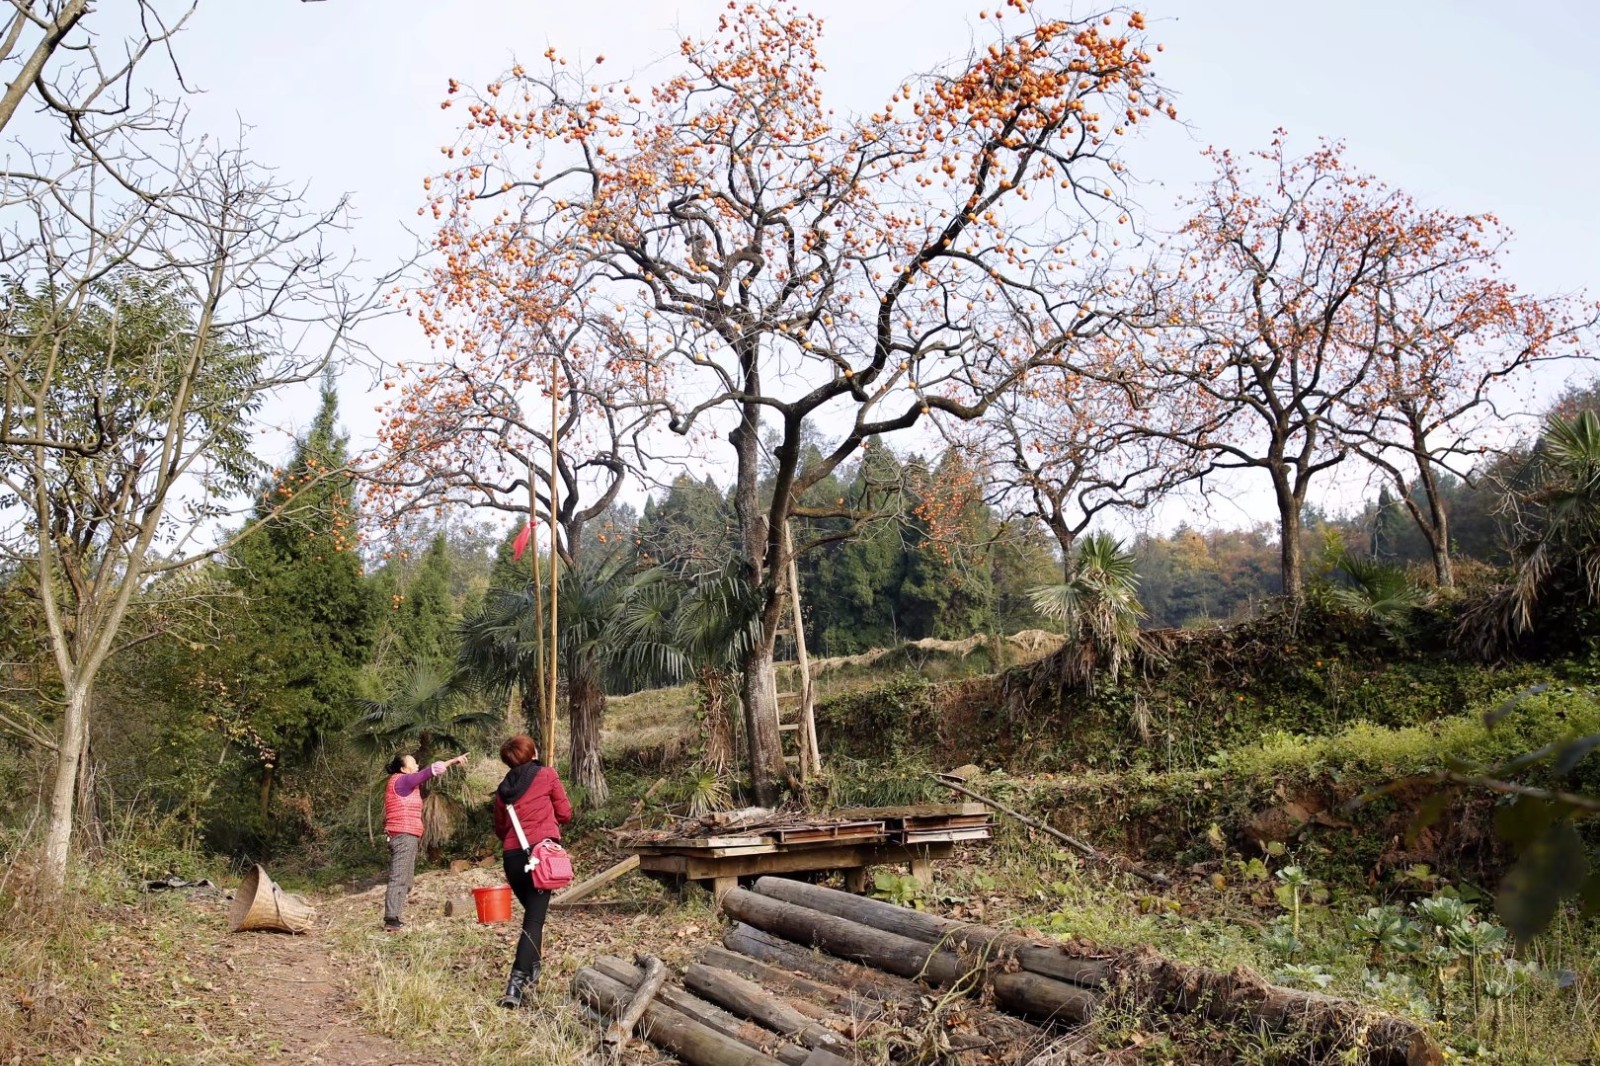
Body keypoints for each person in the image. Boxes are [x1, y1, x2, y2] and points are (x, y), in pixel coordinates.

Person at [491, 733, 572, 1008]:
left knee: (533, 917)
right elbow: (565, 814)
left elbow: (501, 829)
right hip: (539, 857)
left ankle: (533, 968)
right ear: (532, 752)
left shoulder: (503, 789)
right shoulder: (546, 775)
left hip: (513, 858)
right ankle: (515, 985)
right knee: (534, 922)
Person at [383, 750, 468, 930]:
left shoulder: (402, 784)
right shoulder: (403, 780)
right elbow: (429, 771)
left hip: (406, 836)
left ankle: (394, 915)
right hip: (403, 836)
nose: (417, 766)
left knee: (407, 881)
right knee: (399, 878)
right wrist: (452, 761)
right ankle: (391, 919)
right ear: (404, 769)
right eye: (413, 763)